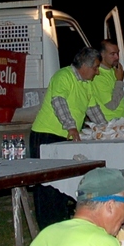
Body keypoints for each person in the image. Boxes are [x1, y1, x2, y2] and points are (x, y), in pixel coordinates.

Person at [29, 46, 103, 228]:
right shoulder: (63, 76)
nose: (97, 72)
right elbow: (58, 102)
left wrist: (107, 129)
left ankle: (61, 221)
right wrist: (71, 126)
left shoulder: (87, 84)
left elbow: (94, 111)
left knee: (63, 181)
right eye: (95, 67)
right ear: (85, 66)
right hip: (46, 135)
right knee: (46, 183)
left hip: (66, 138)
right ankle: (46, 225)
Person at [89, 39, 124, 121]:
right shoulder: (98, 75)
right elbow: (111, 105)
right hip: (109, 123)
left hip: (121, 121)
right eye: (112, 54)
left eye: (117, 53)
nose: (117, 57)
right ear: (102, 54)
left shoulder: (114, 71)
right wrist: (119, 81)